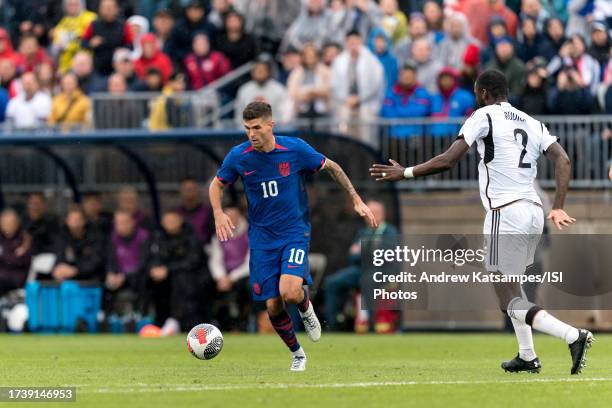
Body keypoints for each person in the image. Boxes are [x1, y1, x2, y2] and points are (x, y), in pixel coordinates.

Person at [370, 69, 593, 375]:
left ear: (485, 93)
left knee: (505, 296)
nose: (476, 98)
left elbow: (449, 159)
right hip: (533, 211)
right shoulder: (531, 121)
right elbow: (563, 160)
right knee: (514, 287)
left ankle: (573, 336)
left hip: (505, 210)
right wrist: (557, 206)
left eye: (477, 93)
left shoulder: (483, 115)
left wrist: (406, 172)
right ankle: (527, 355)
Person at [210, 101, 376, 371]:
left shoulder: (295, 149)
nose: (251, 134)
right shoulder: (239, 156)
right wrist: (218, 213)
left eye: (257, 127)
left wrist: (356, 200)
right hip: (262, 240)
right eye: (247, 128)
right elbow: (216, 185)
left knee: (289, 292)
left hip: (293, 232)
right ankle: (297, 354)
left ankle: (305, 305)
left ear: (271, 125)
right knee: (273, 305)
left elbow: (332, 167)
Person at [324, 200, 397, 331]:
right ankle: (333, 325)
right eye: (368, 213)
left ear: (382, 214)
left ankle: (372, 325)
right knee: (332, 282)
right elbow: (352, 257)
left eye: (374, 213)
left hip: (382, 272)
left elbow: (385, 257)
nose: (370, 216)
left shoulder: (390, 232)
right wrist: (370, 252)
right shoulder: (363, 233)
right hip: (360, 270)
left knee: (368, 281)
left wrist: (364, 252)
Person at [52, 207, 105, 283]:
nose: (75, 223)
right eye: (72, 220)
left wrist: (76, 270)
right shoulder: (62, 236)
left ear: (84, 221)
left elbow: (96, 262)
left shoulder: (94, 236)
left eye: (78, 220)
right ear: (67, 221)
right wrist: (58, 268)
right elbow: (59, 257)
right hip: (68, 279)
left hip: (91, 279)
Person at [0, 209, 32, 297]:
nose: (7, 226)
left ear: (16, 223)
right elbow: (14, 258)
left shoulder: (25, 238)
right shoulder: (1, 238)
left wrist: (4, 256)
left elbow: (22, 261)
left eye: (10, 223)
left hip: (17, 276)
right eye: (4, 223)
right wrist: (11, 256)